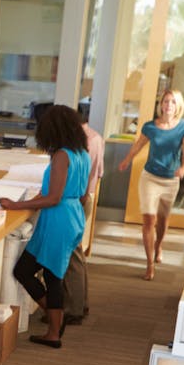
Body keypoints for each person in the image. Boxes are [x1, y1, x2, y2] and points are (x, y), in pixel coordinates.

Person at [0, 105, 91, 348]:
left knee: (50, 276)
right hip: (71, 216)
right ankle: (54, 320)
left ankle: (53, 332)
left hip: (58, 219)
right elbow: (74, 193)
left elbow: (53, 198)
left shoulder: (62, 155)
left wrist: (16, 206)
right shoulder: (82, 153)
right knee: (30, 271)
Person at [117, 89, 184, 280]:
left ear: (178, 106)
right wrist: (127, 160)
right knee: (149, 220)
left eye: (172, 102)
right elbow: (138, 145)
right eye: (165, 102)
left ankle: (158, 245)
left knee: (163, 220)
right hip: (150, 177)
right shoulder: (150, 126)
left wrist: (183, 167)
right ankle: (150, 264)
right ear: (161, 105)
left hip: (171, 181)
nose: (168, 105)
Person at [63, 113, 106, 328]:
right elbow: (97, 175)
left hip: (78, 200)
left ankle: (73, 309)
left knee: (72, 257)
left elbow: (82, 176)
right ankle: (80, 304)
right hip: (85, 198)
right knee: (77, 254)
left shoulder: (83, 141)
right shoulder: (96, 137)